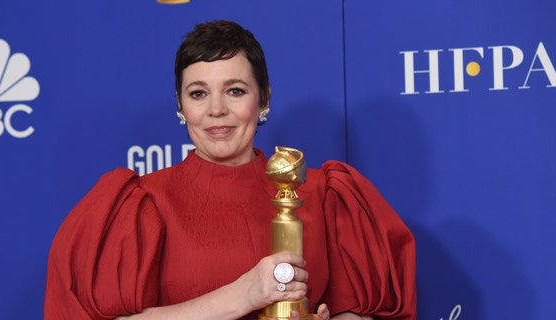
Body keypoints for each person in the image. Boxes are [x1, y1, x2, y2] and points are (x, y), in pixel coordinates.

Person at [44, 20, 416, 320]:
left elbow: (361, 310)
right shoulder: (141, 204)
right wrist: (243, 295)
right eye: (198, 93)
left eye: (235, 90)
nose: (216, 110)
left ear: (264, 97)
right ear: (180, 104)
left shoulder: (325, 194)